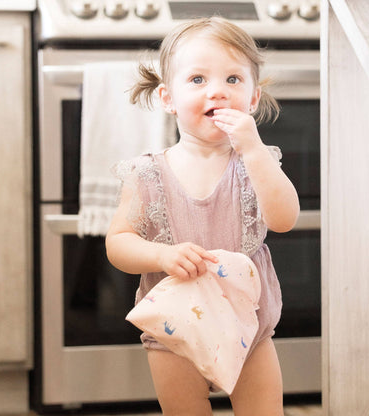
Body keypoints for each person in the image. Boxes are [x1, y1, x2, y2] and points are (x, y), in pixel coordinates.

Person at [106, 16, 299, 416]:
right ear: (168, 98)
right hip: (174, 334)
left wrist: (253, 150)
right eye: (197, 79)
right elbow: (118, 244)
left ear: (252, 99)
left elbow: (284, 219)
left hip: (249, 330)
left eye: (233, 79)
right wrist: (162, 256)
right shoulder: (149, 173)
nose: (218, 91)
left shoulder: (256, 164)